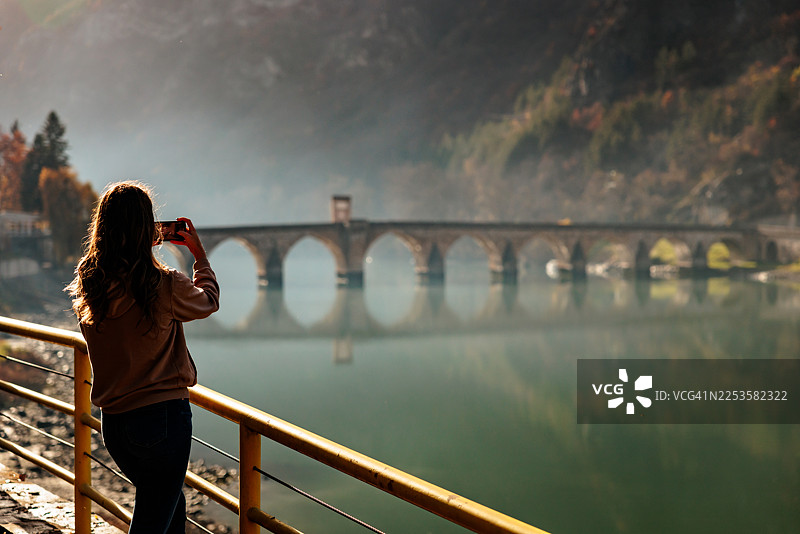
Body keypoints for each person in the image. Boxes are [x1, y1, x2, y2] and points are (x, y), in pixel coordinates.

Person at [66, 181, 220, 533]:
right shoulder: (164, 284)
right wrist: (200, 257)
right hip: (161, 421)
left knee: (169, 507)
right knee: (153, 519)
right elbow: (208, 301)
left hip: (115, 422)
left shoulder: (90, 281)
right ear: (145, 228)